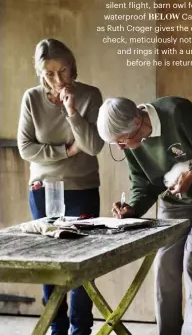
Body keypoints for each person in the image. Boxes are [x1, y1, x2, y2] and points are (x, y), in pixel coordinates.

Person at [96, 96, 192, 335]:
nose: (120, 147)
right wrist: (132, 208)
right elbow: (142, 183)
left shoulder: (178, 114)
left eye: (122, 140)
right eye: (115, 143)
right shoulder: (130, 143)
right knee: (165, 265)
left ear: (137, 122)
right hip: (173, 198)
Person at [17, 38, 104, 335]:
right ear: (40, 73)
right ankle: (56, 327)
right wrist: (65, 152)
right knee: (50, 261)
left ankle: (81, 329)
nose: (57, 80)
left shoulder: (91, 96)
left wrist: (72, 112)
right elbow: (26, 148)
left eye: (63, 71)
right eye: (49, 73)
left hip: (82, 187)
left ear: (73, 67)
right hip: (43, 188)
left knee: (82, 263)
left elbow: (93, 145)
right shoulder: (31, 98)